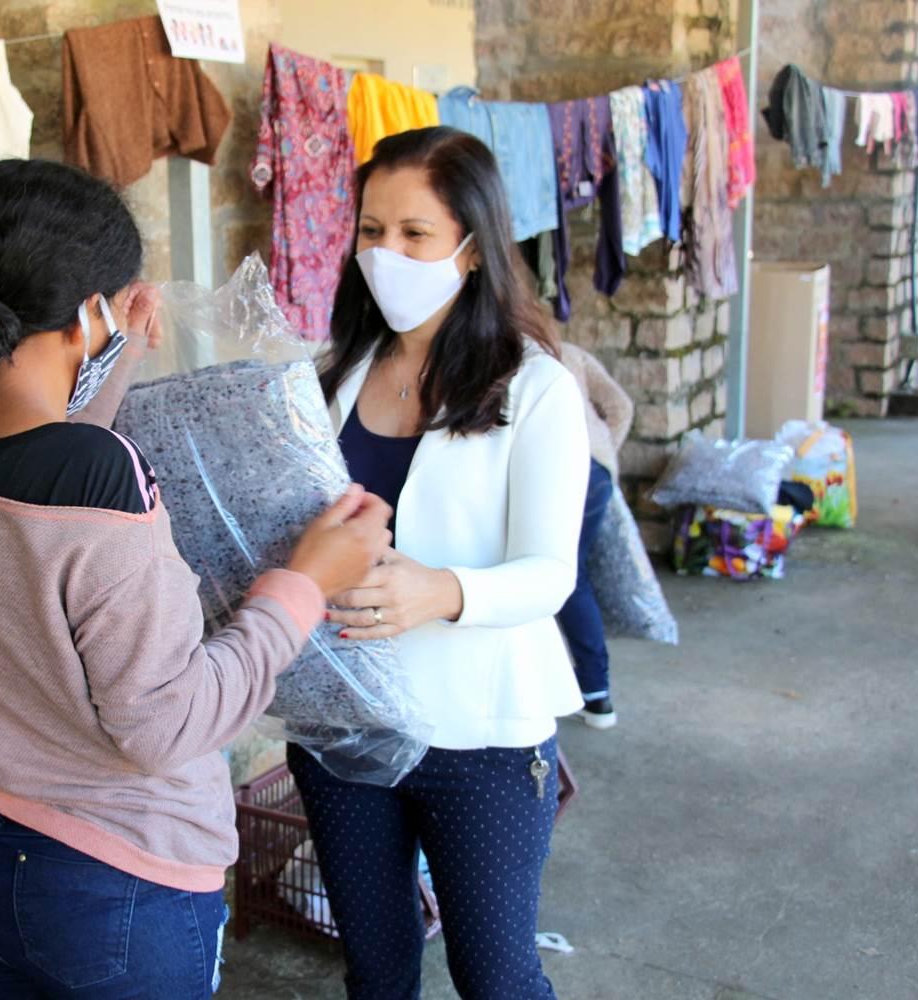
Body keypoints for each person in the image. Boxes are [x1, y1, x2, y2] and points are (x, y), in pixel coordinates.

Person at [0, 159, 392, 1000]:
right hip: (118, 885)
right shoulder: (100, 476)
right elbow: (162, 723)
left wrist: (113, 367)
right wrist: (304, 585)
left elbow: (27, 508)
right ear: (88, 313)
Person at [293, 126, 590, 1000]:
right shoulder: (335, 371)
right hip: (344, 719)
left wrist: (444, 592)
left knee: (494, 974)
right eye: (371, 230)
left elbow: (550, 572)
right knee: (377, 972)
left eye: (414, 233)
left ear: (471, 247)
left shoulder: (533, 388)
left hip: (480, 737)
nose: (386, 253)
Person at [557, 341, 635, 729]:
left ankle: (594, 694)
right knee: (571, 574)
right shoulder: (570, 352)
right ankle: (593, 691)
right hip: (595, 469)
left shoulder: (498, 349)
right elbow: (621, 407)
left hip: (561, 470)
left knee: (563, 577)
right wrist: (602, 451)